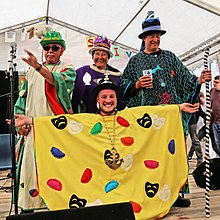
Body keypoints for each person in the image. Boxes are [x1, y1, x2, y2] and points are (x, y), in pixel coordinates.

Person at [8, 78, 199, 219]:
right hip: (97, 183)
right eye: (104, 97)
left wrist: (178, 108)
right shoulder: (89, 121)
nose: (108, 100)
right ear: (98, 100)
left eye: (112, 96)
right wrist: (31, 121)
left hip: (129, 179)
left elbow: (151, 112)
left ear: (117, 99)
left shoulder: (129, 118)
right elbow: (62, 123)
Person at [120, 12, 212, 207]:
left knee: (175, 154)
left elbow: (186, 80)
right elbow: (122, 86)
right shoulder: (135, 61)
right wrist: (136, 85)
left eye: (158, 35)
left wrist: (199, 80)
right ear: (144, 38)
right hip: (148, 120)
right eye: (151, 35)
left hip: (172, 118)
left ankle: (175, 194)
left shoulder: (170, 57)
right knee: (150, 156)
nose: (155, 39)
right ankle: (150, 193)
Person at [14, 30, 76, 212]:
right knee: (31, 172)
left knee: (57, 172)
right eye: (46, 47)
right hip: (32, 130)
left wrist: (39, 68)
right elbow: (22, 98)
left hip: (55, 131)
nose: (50, 51)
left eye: (55, 48)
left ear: (61, 50)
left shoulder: (67, 69)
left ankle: (57, 209)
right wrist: (21, 126)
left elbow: (59, 84)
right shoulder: (31, 72)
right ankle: (28, 209)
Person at [71, 35, 124, 113]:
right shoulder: (82, 72)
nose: (100, 57)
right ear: (93, 56)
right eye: (97, 54)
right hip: (86, 118)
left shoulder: (117, 76)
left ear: (108, 57)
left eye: (104, 54)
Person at [187, 93, 206, 166]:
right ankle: (192, 156)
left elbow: (199, 110)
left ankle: (199, 157)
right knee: (195, 139)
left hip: (192, 121)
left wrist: (206, 118)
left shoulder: (195, 94)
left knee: (195, 139)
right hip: (189, 119)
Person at [210, 75, 220, 156]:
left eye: (216, 82)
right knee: (217, 143)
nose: (214, 84)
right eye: (214, 82)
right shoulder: (212, 91)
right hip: (214, 121)